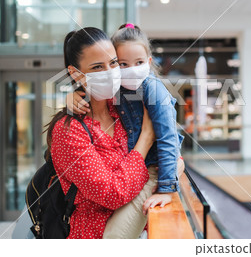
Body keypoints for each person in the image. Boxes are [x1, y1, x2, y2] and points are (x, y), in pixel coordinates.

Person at [67, 23, 184, 239]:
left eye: (138, 63)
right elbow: (93, 93)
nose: (130, 69)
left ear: (148, 62)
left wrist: (167, 189)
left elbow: (169, 140)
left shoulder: (152, 90)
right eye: (122, 64)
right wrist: (72, 96)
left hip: (153, 170)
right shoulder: (116, 90)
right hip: (125, 186)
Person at [46, 27, 156, 239]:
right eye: (98, 67)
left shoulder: (123, 108)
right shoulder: (69, 131)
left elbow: (167, 152)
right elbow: (112, 194)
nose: (110, 72)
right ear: (75, 73)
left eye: (114, 63)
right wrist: (146, 138)